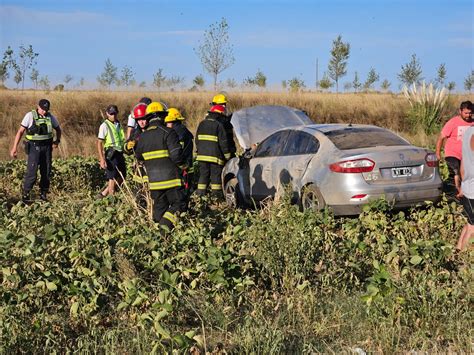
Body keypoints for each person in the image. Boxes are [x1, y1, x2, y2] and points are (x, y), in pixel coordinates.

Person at [134, 102, 187, 231]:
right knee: (179, 204)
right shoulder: (168, 132)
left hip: (154, 183)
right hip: (172, 180)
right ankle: (164, 227)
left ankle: (160, 235)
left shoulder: (143, 137)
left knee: (160, 208)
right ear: (162, 116)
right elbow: (176, 155)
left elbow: (139, 156)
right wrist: (184, 166)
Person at [10, 99, 62, 202]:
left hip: (47, 148)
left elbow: (58, 129)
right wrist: (14, 147)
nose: (44, 111)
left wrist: (57, 141)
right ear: (38, 106)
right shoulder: (30, 116)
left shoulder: (50, 117)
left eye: (46, 109)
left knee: (46, 171)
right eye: (42, 109)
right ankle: (26, 194)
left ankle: (43, 195)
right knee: (32, 172)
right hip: (34, 148)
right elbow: (20, 132)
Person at [436, 101, 473, 197]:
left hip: (466, 156)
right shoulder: (453, 122)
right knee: (455, 171)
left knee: (466, 175)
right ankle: (458, 192)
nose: (468, 115)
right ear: (460, 111)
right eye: (466, 113)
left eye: (470, 113)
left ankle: (451, 190)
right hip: (452, 153)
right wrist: (438, 153)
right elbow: (441, 137)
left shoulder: (472, 123)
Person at [195, 104, 231, 196]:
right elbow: (223, 143)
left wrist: (200, 151)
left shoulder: (202, 124)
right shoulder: (219, 125)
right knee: (216, 177)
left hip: (202, 157)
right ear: (219, 115)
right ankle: (216, 196)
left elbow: (197, 140)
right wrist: (228, 156)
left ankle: (200, 195)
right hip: (215, 158)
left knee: (203, 176)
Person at [97, 104, 126, 198]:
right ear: (107, 114)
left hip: (120, 153)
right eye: (111, 114)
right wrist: (102, 159)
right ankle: (111, 199)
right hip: (111, 153)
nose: (113, 116)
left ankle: (104, 193)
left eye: (114, 113)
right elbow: (99, 143)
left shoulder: (118, 124)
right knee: (112, 178)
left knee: (122, 176)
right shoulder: (104, 126)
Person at [165, 108, 195, 192]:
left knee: (182, 193)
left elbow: (177, 153)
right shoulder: (182, 130)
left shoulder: (178, 133)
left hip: (183, 169)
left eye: (167, 122)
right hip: (186, 168)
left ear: (172, 121)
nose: (166, 125)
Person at [457, 120, 474, 250]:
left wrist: (463, 184)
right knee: (473, 228)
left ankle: (458, 251)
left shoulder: (468, 131)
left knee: (470, 224)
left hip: (468, 187)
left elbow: (463, 162)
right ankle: (465, 263)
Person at [124, 103, 149, 183]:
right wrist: (127, 147)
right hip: (139, 170)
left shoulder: (152, 132)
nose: (141, 122)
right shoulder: (135, 133)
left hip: (151, 168)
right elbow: (126, 149)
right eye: (139, 120)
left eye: (144, 119)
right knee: (139, 192)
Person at [210, 93, 237, 159]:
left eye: (224, 104)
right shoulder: (222, 121)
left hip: (218, 152)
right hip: (219, 153)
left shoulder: (208, 119)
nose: (224, 106)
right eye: (222, 104)